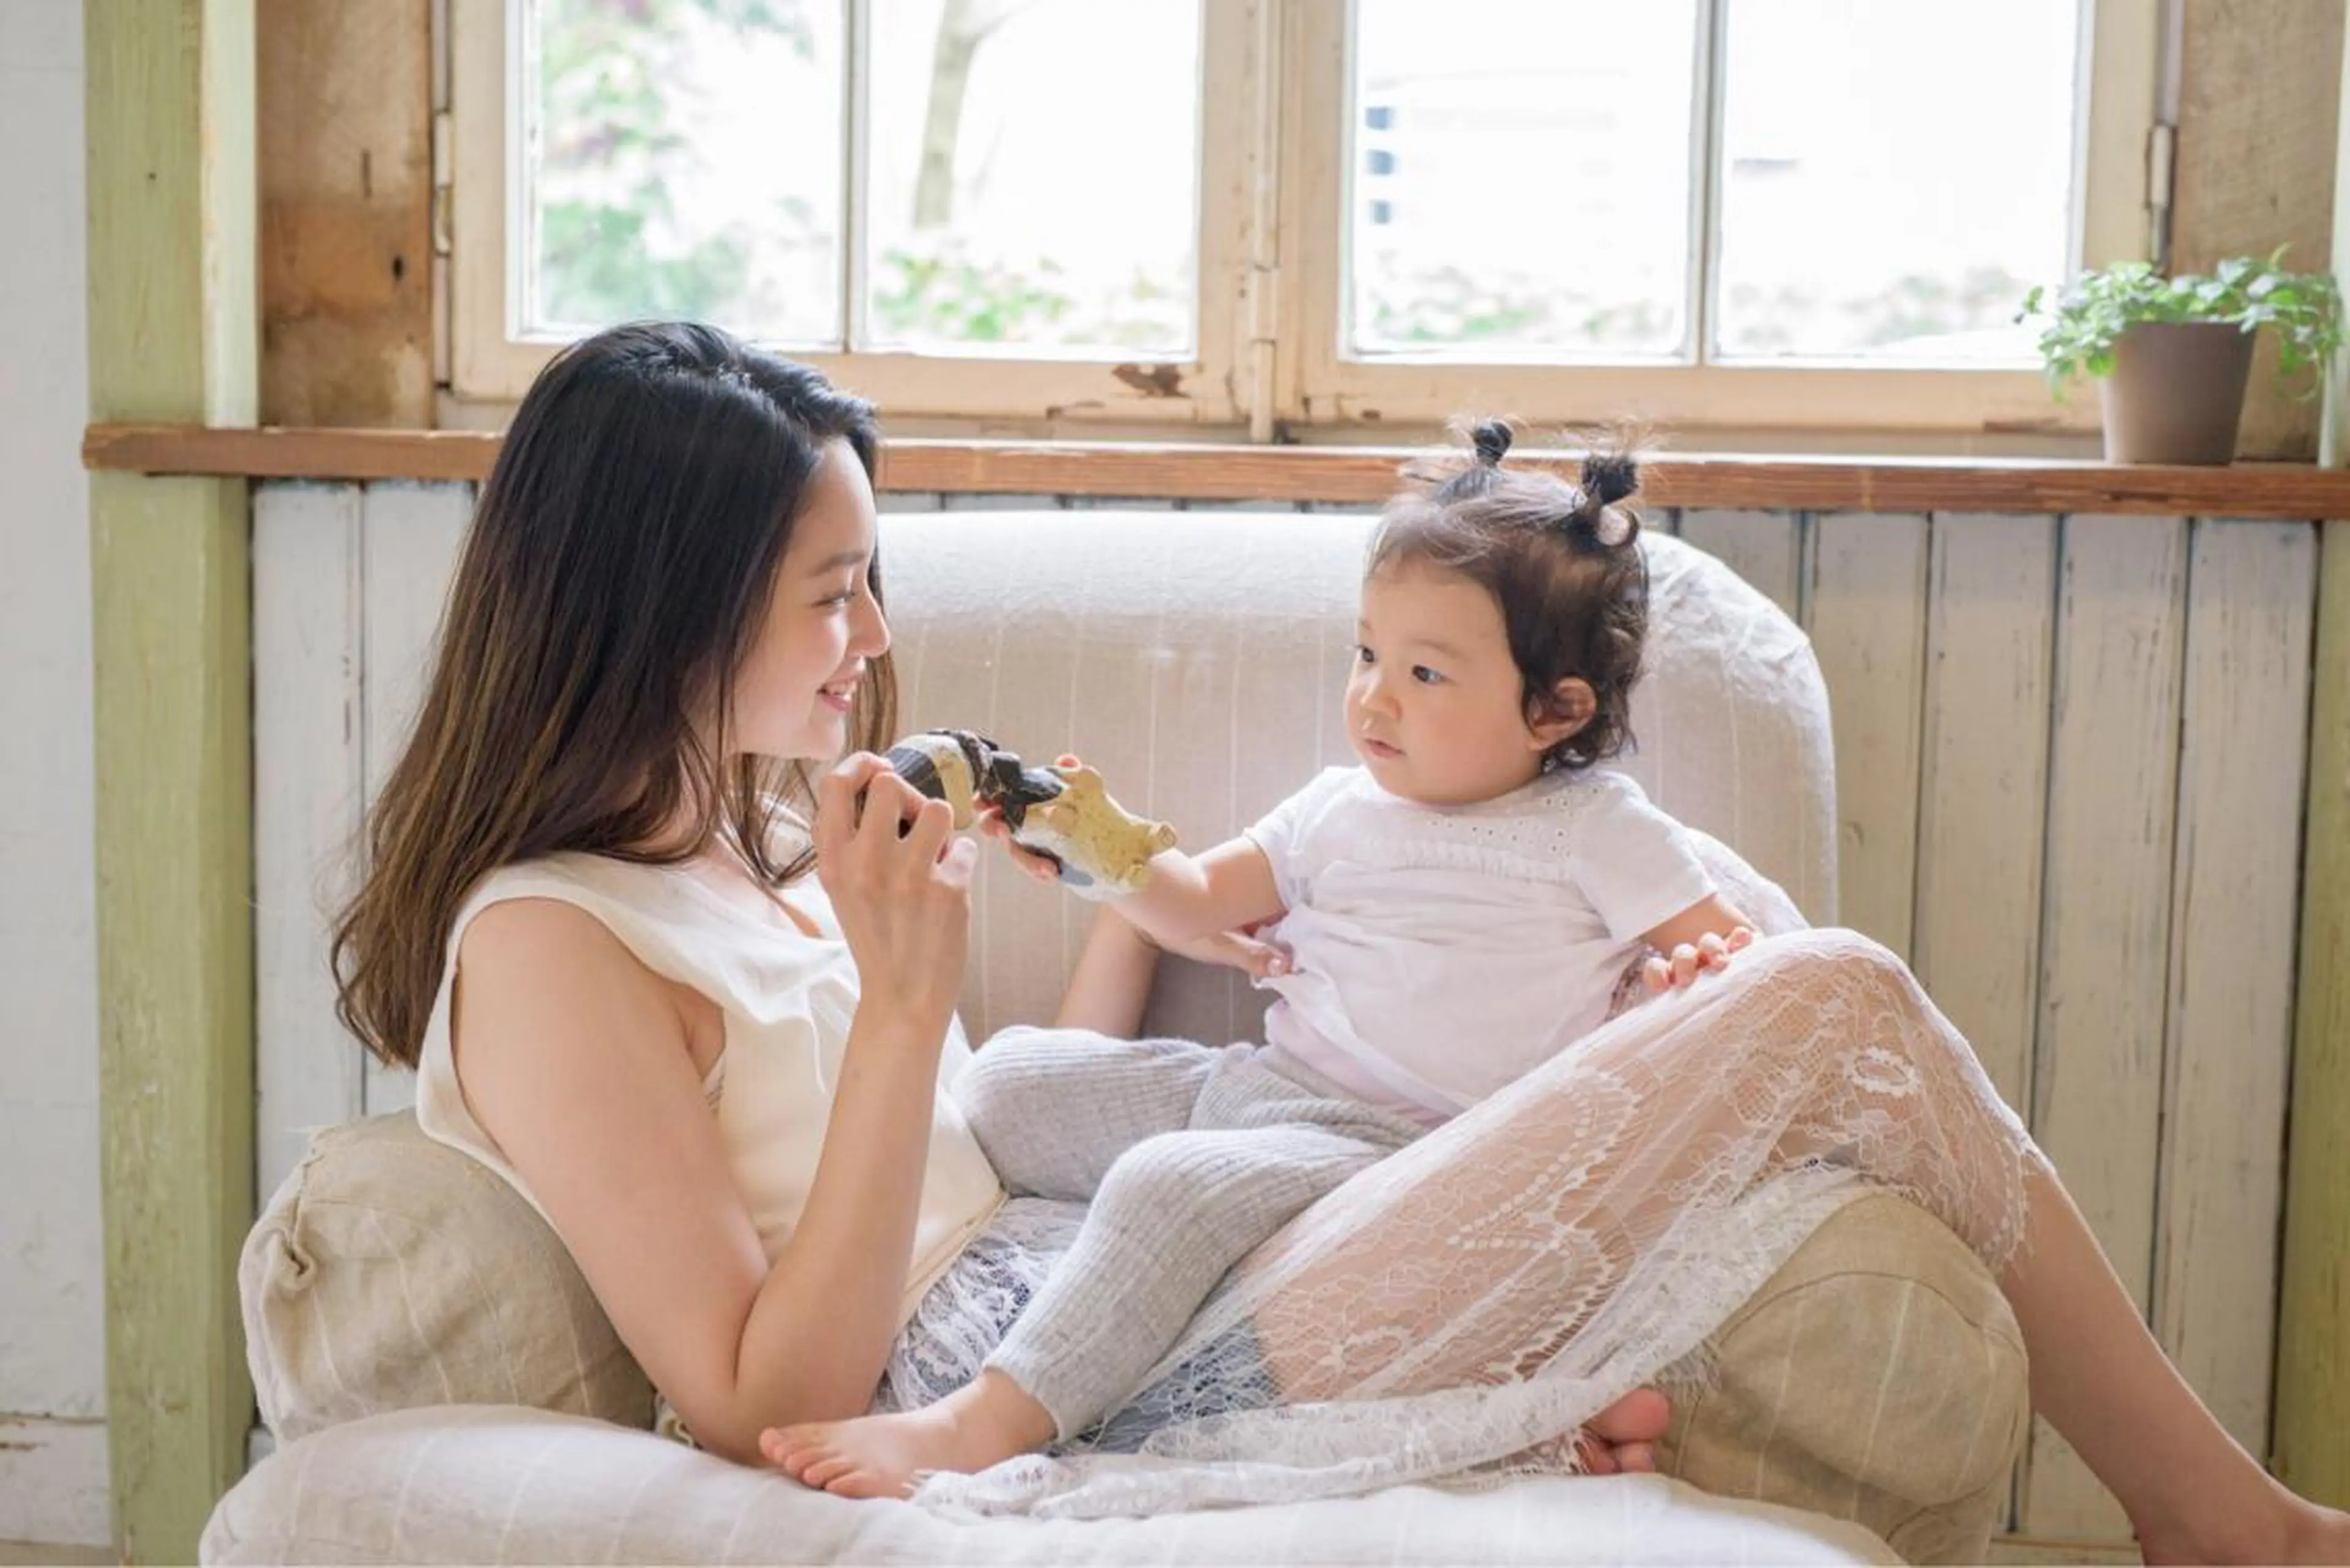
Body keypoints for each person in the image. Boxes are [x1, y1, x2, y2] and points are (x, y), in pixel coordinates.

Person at [330, 321, 2349, 1562]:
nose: (873, 644)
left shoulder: (752, 852)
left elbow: (1023, 1119)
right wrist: (908, 1012)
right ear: (656, 608)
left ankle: (2213, 1516)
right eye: (829, 595)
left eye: (874, 582)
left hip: (1134, 1270)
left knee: (1817, 1007)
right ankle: (2220, 1522)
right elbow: (748, 1391)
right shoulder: (552, 947)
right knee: (1830, 1001)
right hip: (1043, 1357)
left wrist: (1089, 952)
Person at [766, 423, 1748, 1496]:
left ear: (1556, 709)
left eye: (1425, 672)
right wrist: (1065, 827)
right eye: (1368, 653)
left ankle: (981, 1421)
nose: (1375, 697)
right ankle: (1113, 1303)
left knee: (1167, 1187)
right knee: (1005, 1083)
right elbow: (1191, 900)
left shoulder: (1596, 829)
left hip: (1399, 1155)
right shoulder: (1336, 809)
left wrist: (1687, 982)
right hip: (1258, 1090)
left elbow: (1731, 955)